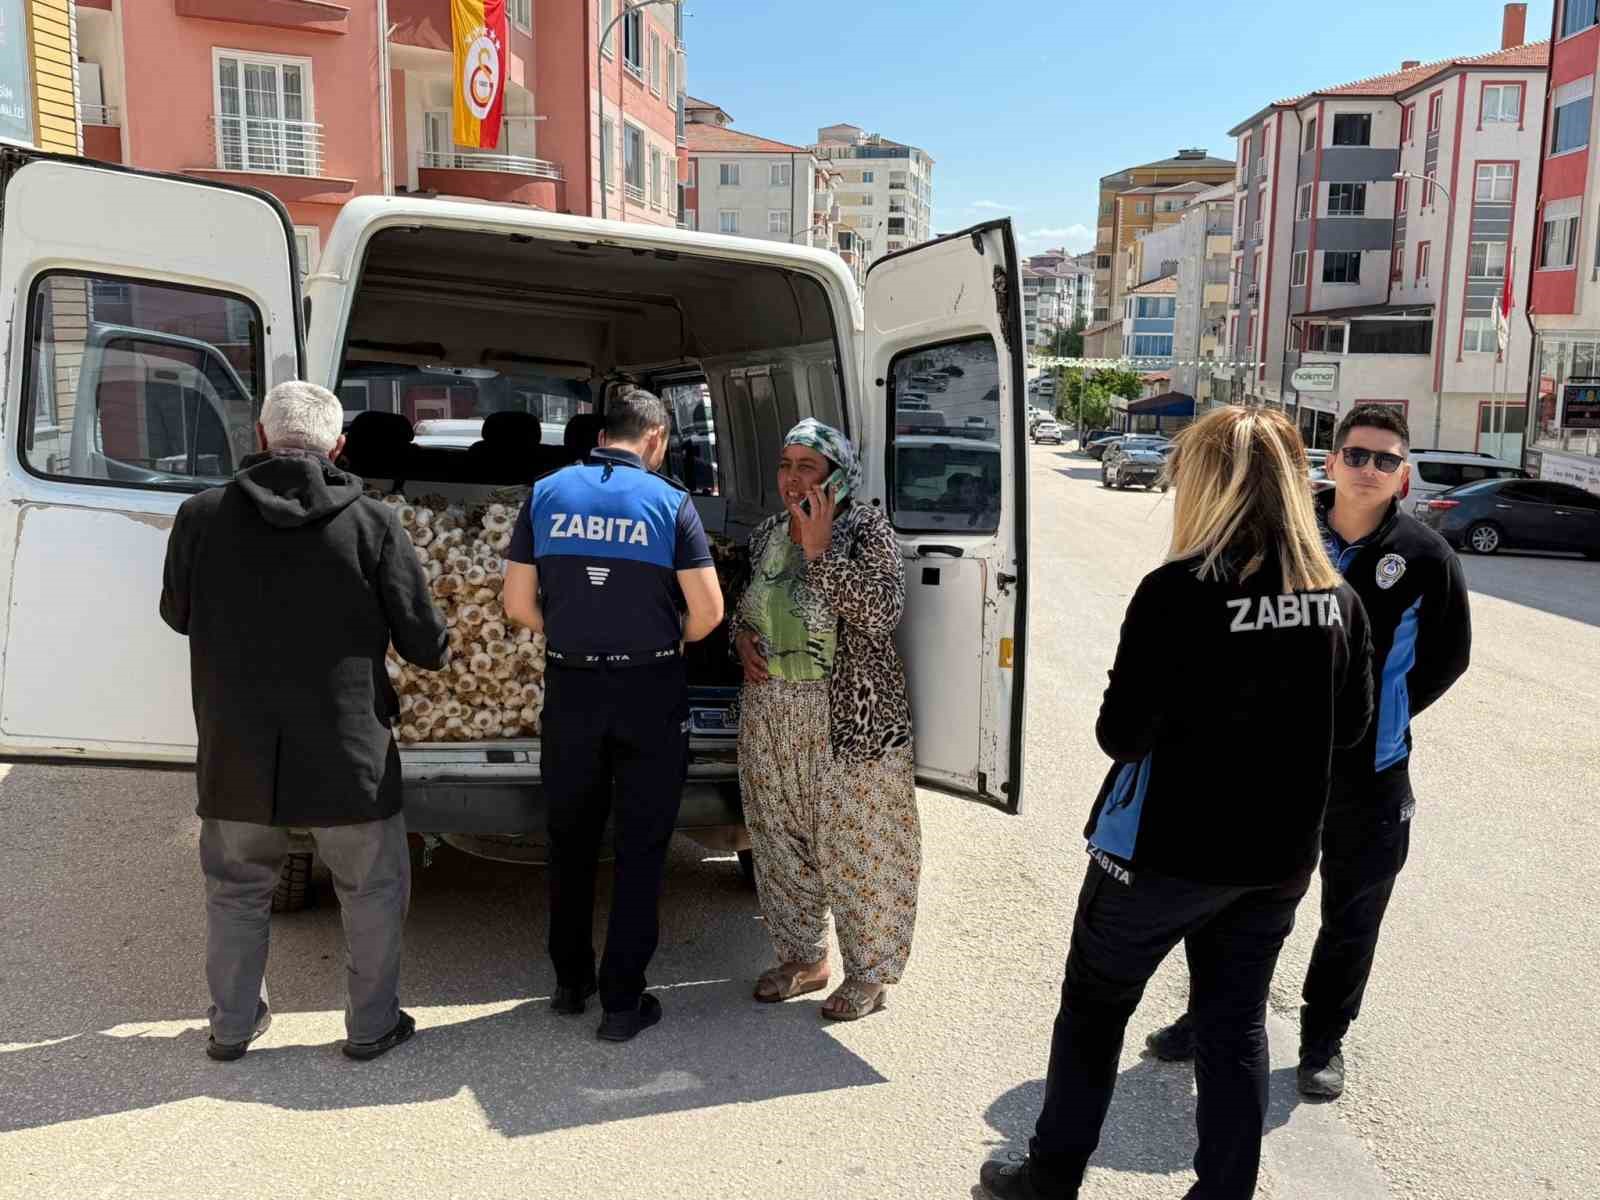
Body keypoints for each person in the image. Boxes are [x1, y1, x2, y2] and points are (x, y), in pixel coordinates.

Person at [978, 405, 1373, 1200]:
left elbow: (1120, 735)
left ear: (1206, 485)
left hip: (1162, 858)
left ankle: (1050, 1180)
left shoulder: (1176, 593)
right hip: (1275, 862)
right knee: (1235, 1030)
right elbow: (1353, 728)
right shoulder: (1338, 600)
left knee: (1093, 1013)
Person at [1143, 403, 1471, 1099]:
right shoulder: (1283, 531)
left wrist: (1386, 716)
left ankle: (1324, 1040)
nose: (1369, 469)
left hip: (1370, 776)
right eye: (1356, 454)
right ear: (1330, 461)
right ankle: (1210, 1015)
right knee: (1231, 903)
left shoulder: (1426, 556)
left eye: (1386, 459)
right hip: (1269, 769)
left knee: (1352, 914)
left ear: (1403, 475)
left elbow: (1447, 657)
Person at [159, 381, 448, 1063]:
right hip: (349, 752)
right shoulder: (374, 523)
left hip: (237, 749)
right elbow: (426, 645)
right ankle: (371, 1026)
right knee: (372, 891)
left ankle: (232, 1027)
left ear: (260, 438)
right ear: (338, 447)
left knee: (236, 889)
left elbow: (177, 614)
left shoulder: (200, 515)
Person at [502, 386, 724, 1043]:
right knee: (641, 844)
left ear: (604, 434)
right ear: (654, 439)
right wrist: (659, 638)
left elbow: (516, 604)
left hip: (571, 686)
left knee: (569, 839)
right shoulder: (670, 503)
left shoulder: (545, 493)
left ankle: (571, 984)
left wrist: (573, 631)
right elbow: (708, 611)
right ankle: (622, 1003)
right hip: (650, 689)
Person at [733, 419, 920, 1021]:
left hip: (849, 722)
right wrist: (741, 640)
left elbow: (882, 611)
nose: (792, 479)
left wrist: (818, 551)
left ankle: (870, 974)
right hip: (772, 715)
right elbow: (746, 609)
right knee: (778, 839)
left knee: (860, 846)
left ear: (836, 475)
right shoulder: (767, 534)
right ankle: (803, 959)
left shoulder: (866, 529)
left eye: (806, 467)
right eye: (785, 465)